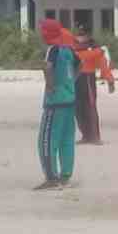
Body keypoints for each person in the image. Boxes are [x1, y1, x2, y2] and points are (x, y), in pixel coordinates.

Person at [37, 19, 80, 188]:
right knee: (66, 139)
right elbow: (80, 65)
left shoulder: (52, 49)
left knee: (46, 140)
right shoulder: (68, 50)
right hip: (70, 99)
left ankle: (51, 178)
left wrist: (50, 85)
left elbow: (47, 67)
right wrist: (70, 83)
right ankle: (65, 175)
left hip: (55, 102)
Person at [73, 29, 115, 145]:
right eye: (78, 35)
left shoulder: (95, 50)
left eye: (82, 35)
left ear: (87, 37)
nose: (79, 37)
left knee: (90, 108)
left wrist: (110, 81)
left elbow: (104, 66)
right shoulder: (72, 49)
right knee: (78, 109)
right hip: (75, 80)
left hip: (87, 79)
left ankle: (95, 136)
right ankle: (86, 136)